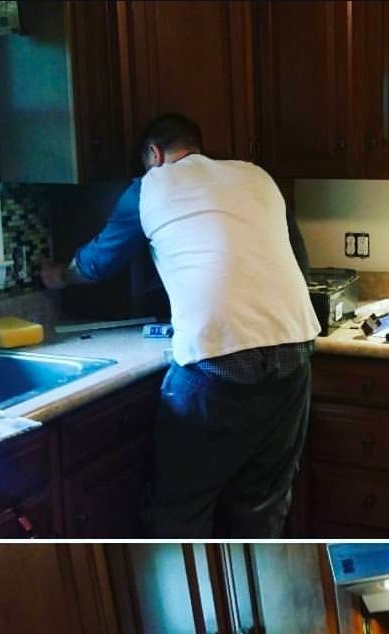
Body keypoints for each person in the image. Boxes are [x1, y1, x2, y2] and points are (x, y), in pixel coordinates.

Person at [41, 113, 320, 537]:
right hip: (294, 348)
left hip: (219, 361)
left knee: (179, 509)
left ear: (154, 154)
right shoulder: (259, 177)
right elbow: (298, 263)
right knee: (261, 503)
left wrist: (58, 276)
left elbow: (97, 263)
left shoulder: (149, 186)